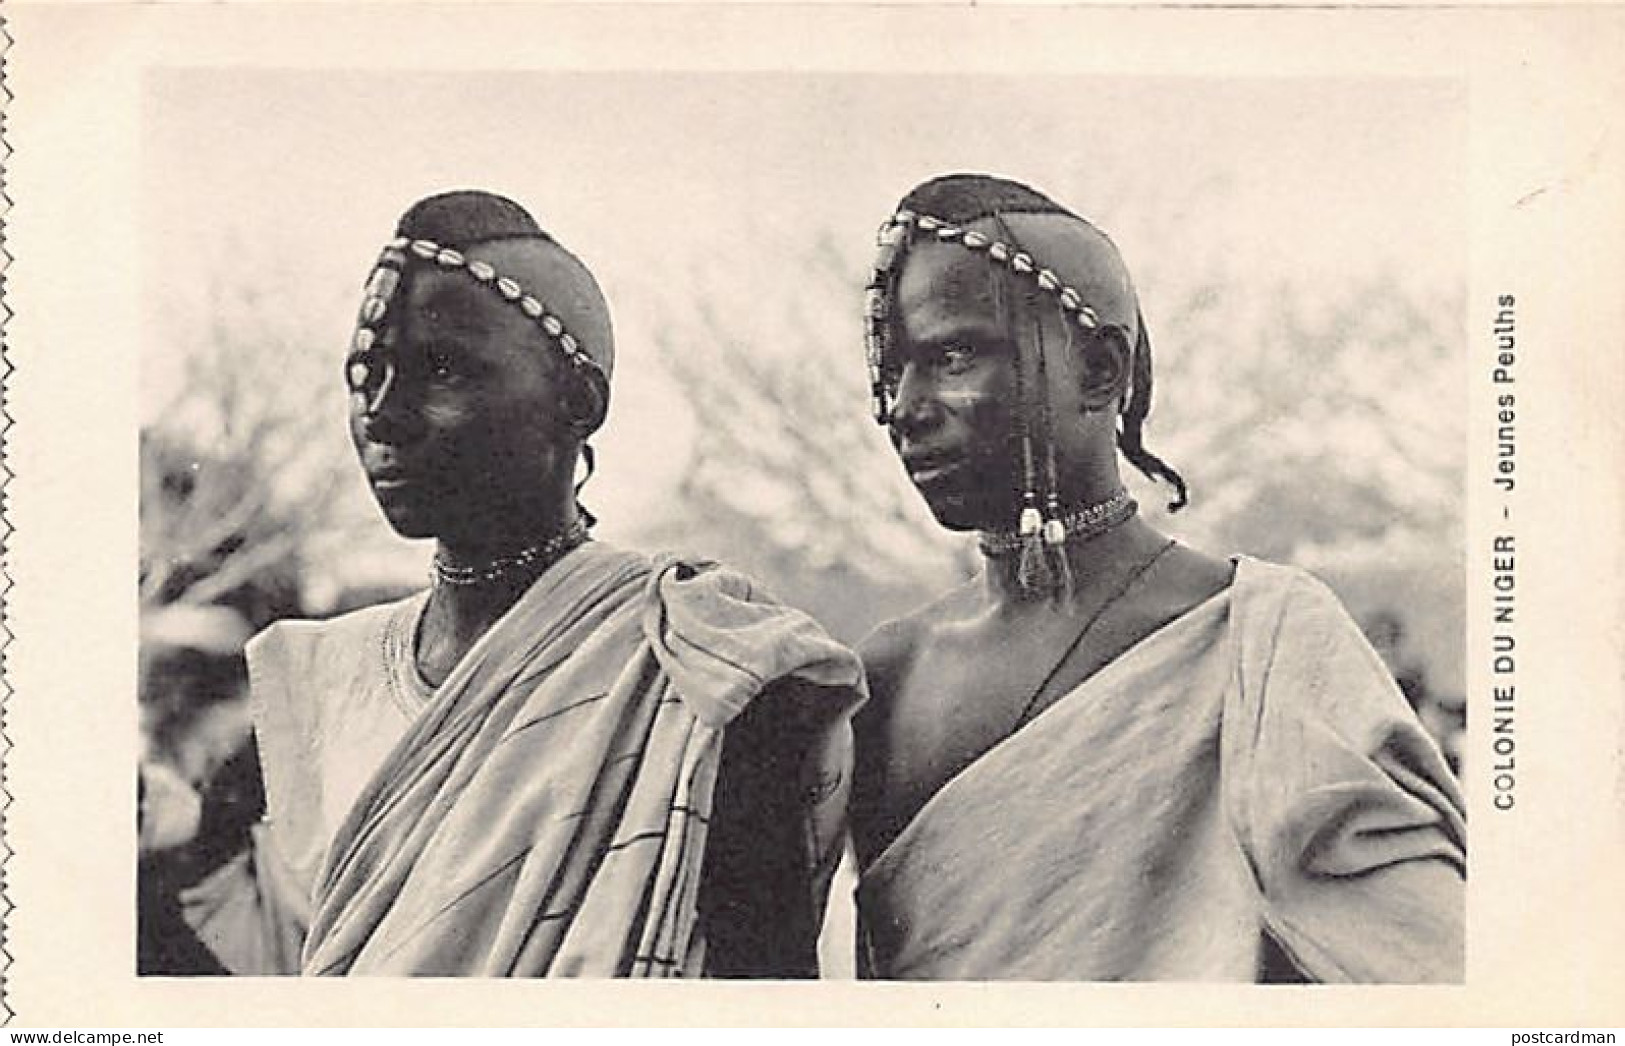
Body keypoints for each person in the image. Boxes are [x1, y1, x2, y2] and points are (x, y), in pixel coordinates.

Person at [848, 173, 1465, 982]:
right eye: (893, 372)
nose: (905, 406)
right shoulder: (886, 676)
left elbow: (1422, 967)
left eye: (953, 355)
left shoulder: (1261, 643)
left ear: (1099, 371)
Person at [234, 190, 865, 976]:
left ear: (578, 403)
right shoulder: (318, 678)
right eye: (367, 373)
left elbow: (761, 1002)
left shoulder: (698, 662)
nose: (384, 413)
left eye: (441, 369)